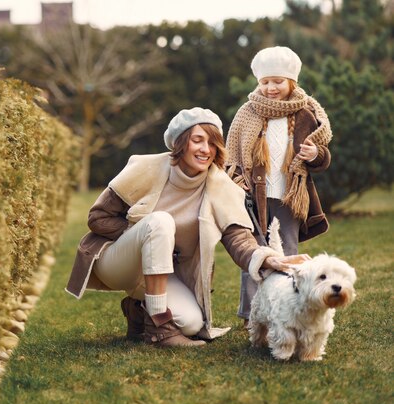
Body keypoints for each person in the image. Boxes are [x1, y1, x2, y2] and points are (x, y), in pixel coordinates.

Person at [66, 107, 309, 347]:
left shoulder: (220, 186)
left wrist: (270, 259)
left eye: (213, 143)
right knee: (161, 221)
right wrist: (143, 238)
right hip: (120, 262)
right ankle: (158, 327)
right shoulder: (148, 167)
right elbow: (98, 217)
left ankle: (140, 311)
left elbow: (239, 240)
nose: (206, 150)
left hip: (161, 272)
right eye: (197, 140)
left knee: (192, 324)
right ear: (181, 143)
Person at [225, 46, 333, 327]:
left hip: (290, 196)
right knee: (257, 254)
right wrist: (238, 181)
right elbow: (232, 154)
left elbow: (321, 154)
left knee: (287, 252)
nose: (271, 88)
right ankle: (252, 315)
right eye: (265, 82)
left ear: (291, 82)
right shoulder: (248, 113)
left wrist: (315, 155)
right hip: (255, 197)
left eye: (277, 81)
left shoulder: (306, 113)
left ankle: (288, 309)